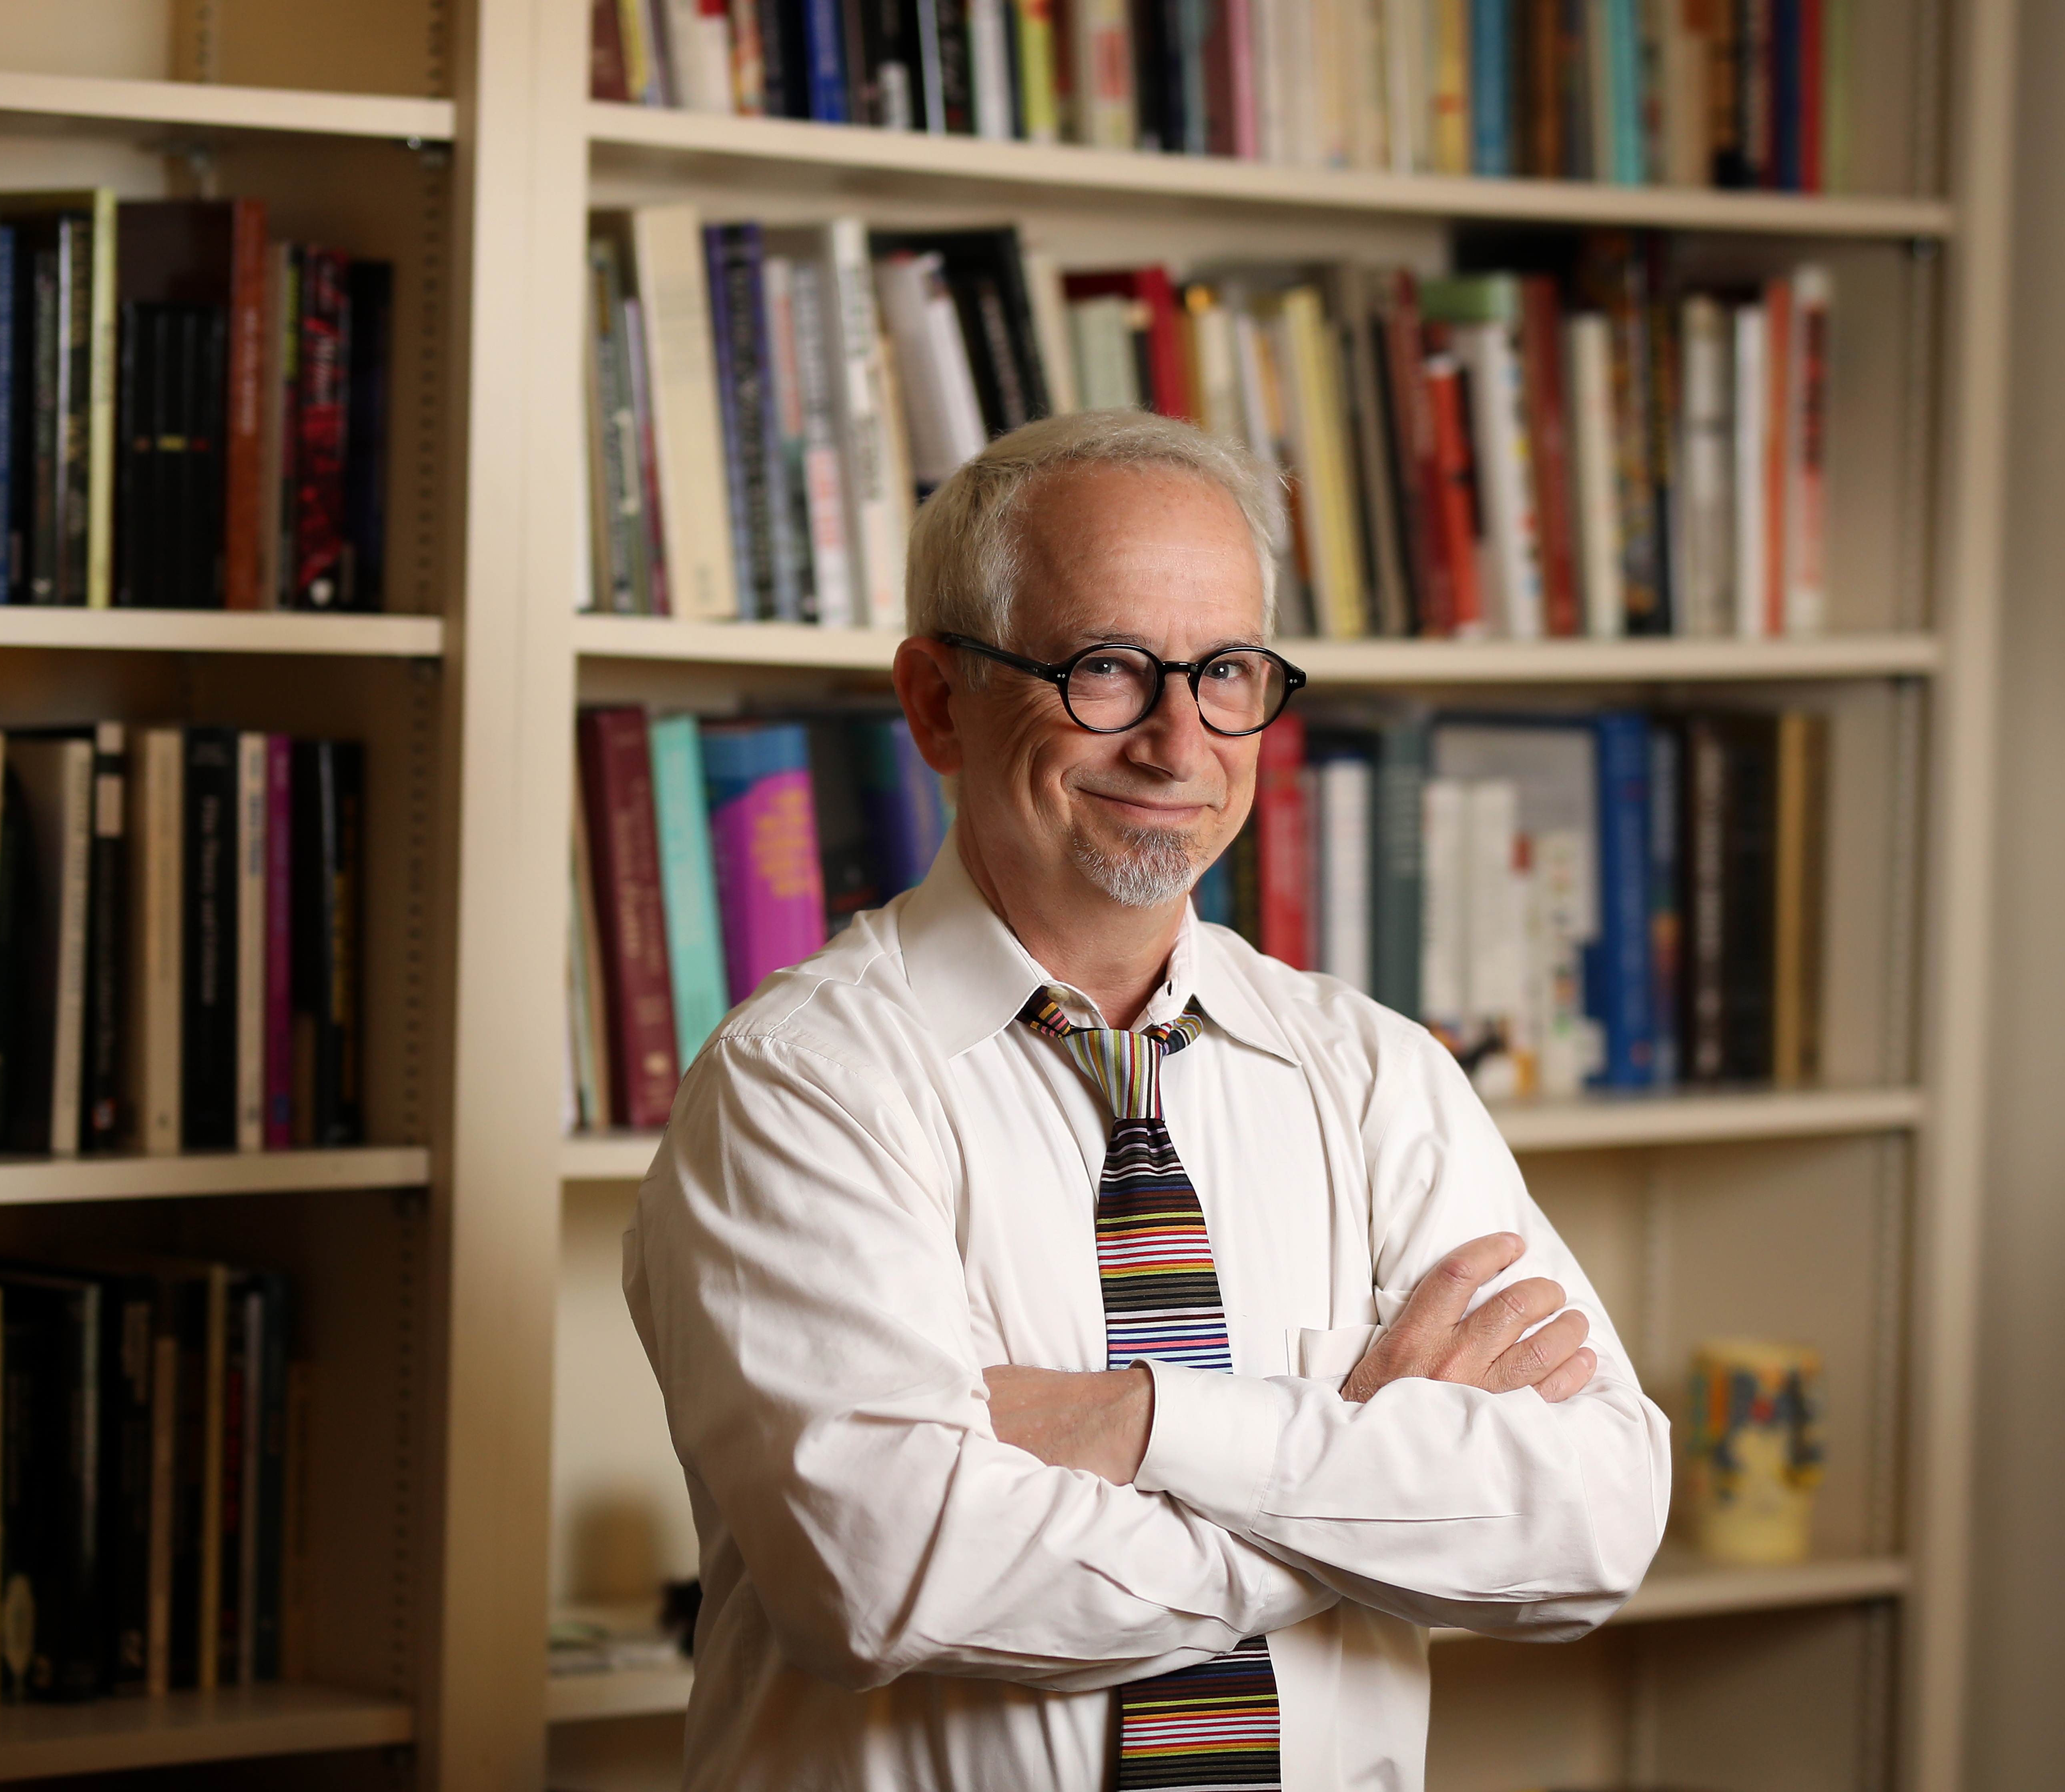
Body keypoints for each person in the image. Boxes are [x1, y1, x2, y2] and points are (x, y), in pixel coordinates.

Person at [624, 410, 1669, 1790]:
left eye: (1228, 671)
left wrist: (1145, 1426)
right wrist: (1366, 1482)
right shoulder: (801, 1088)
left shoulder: (1373, 1076)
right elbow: (887, 1576)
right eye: (1107, 670)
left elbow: (1591, 1523)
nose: (1182, 744)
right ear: (937, 701)